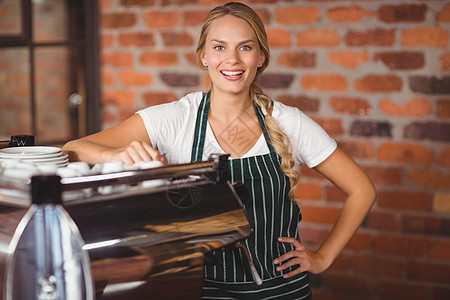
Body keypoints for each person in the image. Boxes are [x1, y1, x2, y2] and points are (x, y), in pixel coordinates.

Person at [63, 2, 376, 299]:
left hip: (282, 290)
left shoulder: (288, 122)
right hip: (198, 290)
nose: (233, 60)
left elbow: (361, 190)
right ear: (203, 56)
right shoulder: (175, 119)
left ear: (261, 57)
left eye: (245, 47)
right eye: (219, 47)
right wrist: (115, 155)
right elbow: (73, 149)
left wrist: (322, 257)